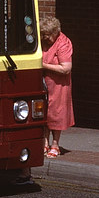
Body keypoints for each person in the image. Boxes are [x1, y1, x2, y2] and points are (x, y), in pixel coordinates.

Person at [41, 16, 74, 158]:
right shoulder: (43, 41)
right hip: (44, 83)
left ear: (56, 32)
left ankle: (55, 145)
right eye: (43, 35)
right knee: (44, 113)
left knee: (56, 114)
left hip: (59, 85)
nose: (45, 38)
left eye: (47, 35)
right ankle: (44, 143)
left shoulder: (63, 43)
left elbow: (66, 68)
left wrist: (43, 66)